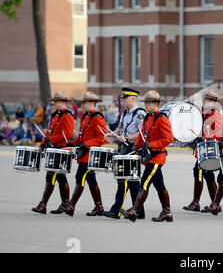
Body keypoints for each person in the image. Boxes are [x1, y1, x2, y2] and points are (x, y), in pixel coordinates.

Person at [121, 90, 174, 222]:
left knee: (145, 183)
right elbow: (142, 134)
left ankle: (134, 210)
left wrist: (152, 145)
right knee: (160, 185)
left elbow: (169, 138)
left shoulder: (161, 118)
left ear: (156, 104)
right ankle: (167, 212)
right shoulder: (147, 117)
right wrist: (135, 146)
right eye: (145, 103)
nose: (145, 105)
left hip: (157, 157)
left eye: (148, 103)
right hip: (150, 157)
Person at [59, 92, 108, 217]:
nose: (82, 105)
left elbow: (103, 137)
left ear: (92, 103)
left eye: (84, 103)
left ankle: (71, 205)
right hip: (84, 153)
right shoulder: (85, 116)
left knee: (80, 177)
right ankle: (99, 206)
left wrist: (86, 144)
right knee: (91, 180)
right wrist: (72, 143)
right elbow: (81, 136)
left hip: (90, 155)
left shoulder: (97, 117)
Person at [102, 88, 146, 219]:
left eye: (125, 98)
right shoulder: (125, 112)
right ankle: (139, 211)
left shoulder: (140, 113)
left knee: (123, 180)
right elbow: (120, 129)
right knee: (132, 181)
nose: (123, 101)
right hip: (123, 148)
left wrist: (127, 138)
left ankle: (115, 211)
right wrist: (112, 134)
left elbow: (142, 133)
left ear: (133, 99)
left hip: (132, 148)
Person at [32, 91, 75, 214]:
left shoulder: (67, 115)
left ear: (63, 102)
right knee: (60, 177)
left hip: (60, 150)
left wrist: (50, 139)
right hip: (53, 149)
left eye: (56, 101)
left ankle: (43, 204)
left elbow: (67, 135)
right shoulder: (55, 115)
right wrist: (43, 144)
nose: (54, 104)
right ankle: (66, 204)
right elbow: (50, 132)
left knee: (51, 176)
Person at [183, 88, 223, 212]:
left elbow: (218, 133)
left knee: (199, 171)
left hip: (210, 149)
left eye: (207, 99)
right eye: (205, 99)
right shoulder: (204, 113)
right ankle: (215, 204)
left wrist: (204, 136)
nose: (205, 101)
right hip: (203, 149)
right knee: (208, 175)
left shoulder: (215, 115)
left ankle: (197, 202)